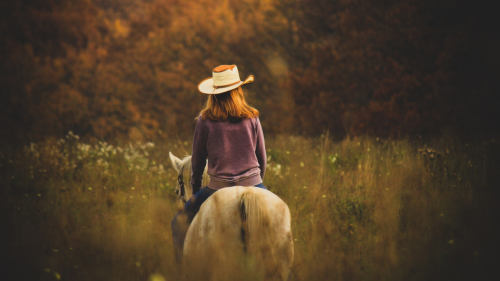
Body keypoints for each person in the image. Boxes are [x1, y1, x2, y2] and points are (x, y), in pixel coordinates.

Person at [171, 65, 267, 262]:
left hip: (218, 188)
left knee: (177, 224)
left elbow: (197, 162)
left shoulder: (205, 120)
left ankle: (181, 271)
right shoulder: (252, 116)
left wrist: (196, 189)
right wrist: (257, 184)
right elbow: (262, 157)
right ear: (238, 90)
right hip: (254, 184)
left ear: (214, 94)